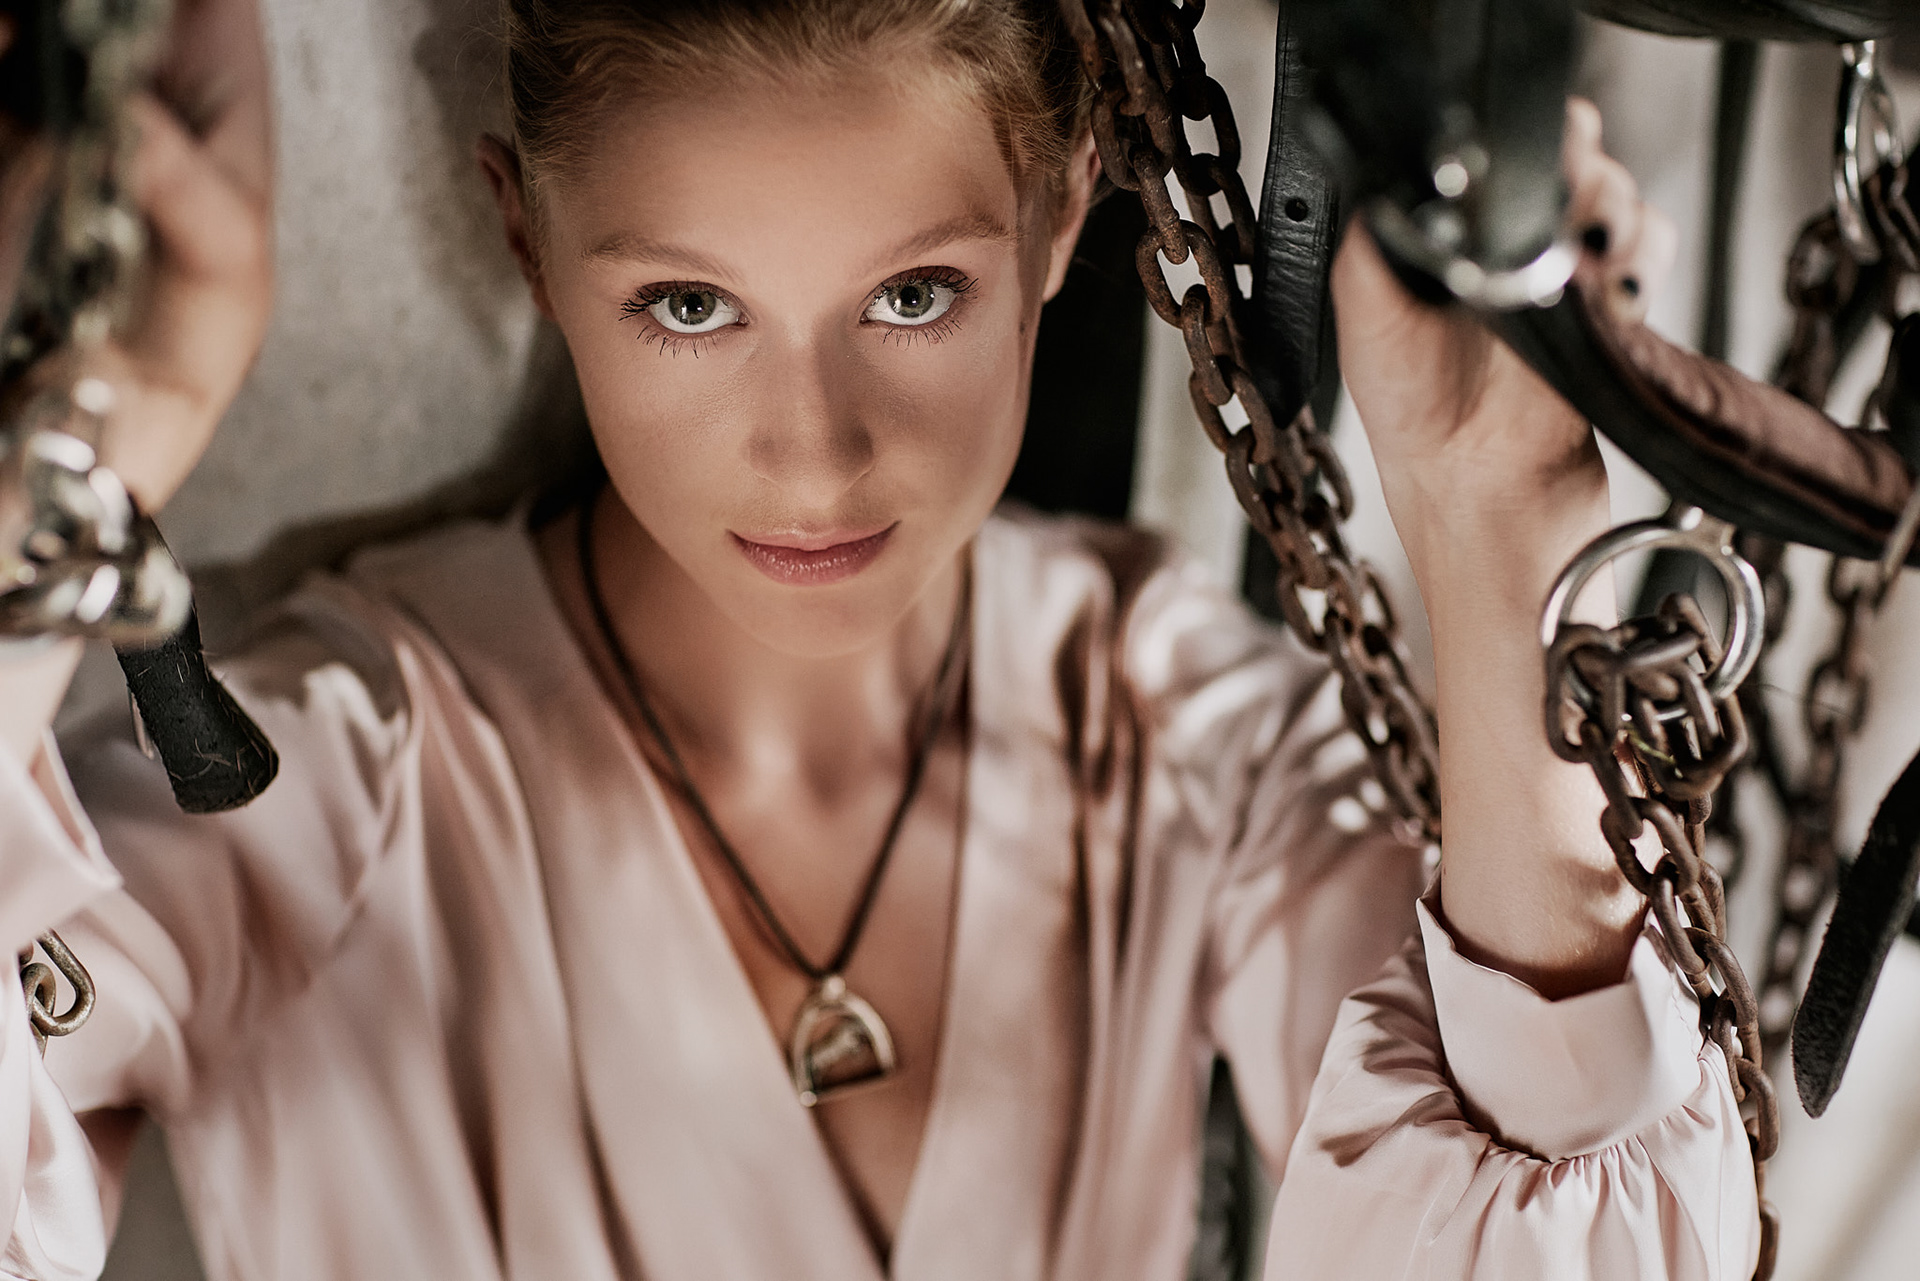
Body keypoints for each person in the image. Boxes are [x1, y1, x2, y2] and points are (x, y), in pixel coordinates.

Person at [0, 0, 1755, 1277]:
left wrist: (1496, 505)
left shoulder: (1185, 737)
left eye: (913, 295)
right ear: (529, 237)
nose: (816, 452)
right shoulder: (324, 782)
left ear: (1060, 214)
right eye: (690, 303)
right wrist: (87, 441)